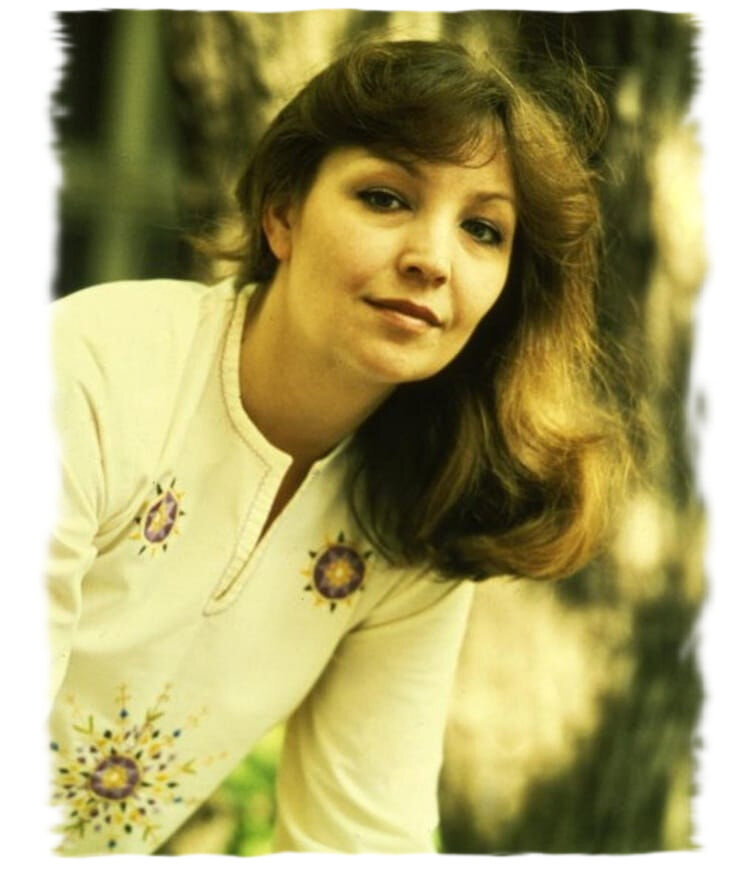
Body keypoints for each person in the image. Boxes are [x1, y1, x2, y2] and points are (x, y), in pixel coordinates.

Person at [48, 38, 629, 855]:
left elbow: (361, 842)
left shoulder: (419, 506)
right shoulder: (89, 368)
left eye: (482, 229)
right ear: (282, 214)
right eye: (386, 198)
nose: (431, 260)